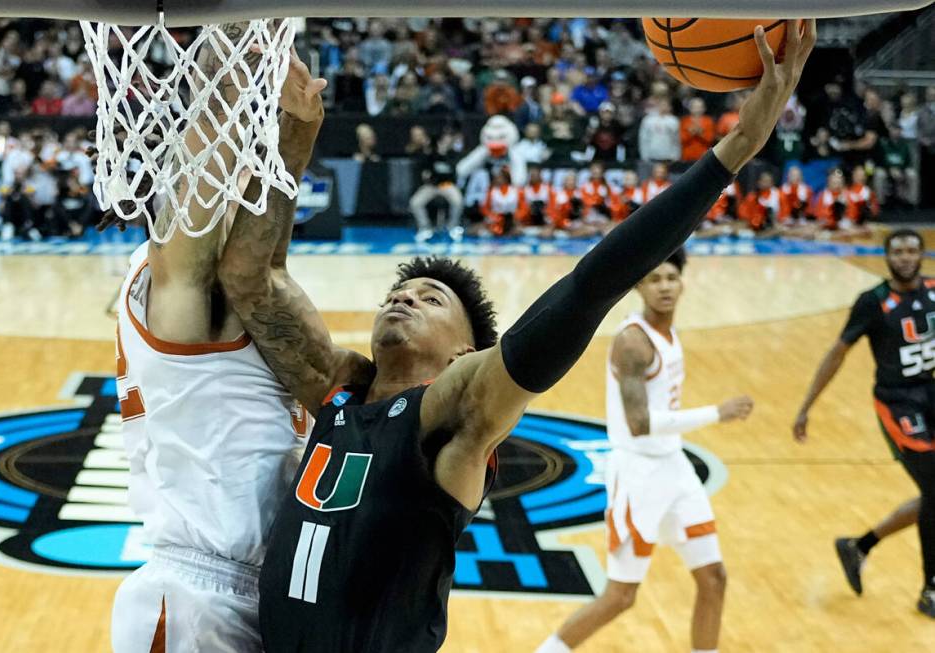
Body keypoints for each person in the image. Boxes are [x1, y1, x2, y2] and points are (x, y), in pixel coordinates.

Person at [215, 21, 815, 653]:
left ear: (463, 356)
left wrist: (737, 148)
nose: (402, 297)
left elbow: (589, 289)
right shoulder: (337, 393)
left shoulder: (451, 418)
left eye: (431, 298)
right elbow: (252, 276)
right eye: (400, 292)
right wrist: (296, 134)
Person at [108, 40, 325, 652]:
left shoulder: (244, 297)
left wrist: (296, 130)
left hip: (263, 591)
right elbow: (201, 207)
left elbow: (266, 256)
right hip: (196, 597)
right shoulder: (179, 295)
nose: (238, 193)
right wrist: (227, 78)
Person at [537, 249, 754, 653]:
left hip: (674, 467)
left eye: (671, 277)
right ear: (639, 286)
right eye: (655, 279)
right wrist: (715, 413)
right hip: (637, 473)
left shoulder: (670, 334)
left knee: (714, 577)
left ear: (682, 282)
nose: (665, 286)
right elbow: (640, 424)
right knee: (621, 596)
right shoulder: (632, 342)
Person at [793, 228, 935, 618]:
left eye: (912, 250)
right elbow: (837, 354)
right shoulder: (872, 302)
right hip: (899, 403)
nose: (905, 257)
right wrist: (807, 405)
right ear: (887, 257)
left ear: (922, 254)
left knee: (933, 494)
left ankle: (859, 546)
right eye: (898, 251)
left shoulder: (934, 290)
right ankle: (930, 590)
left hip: (932, 393)